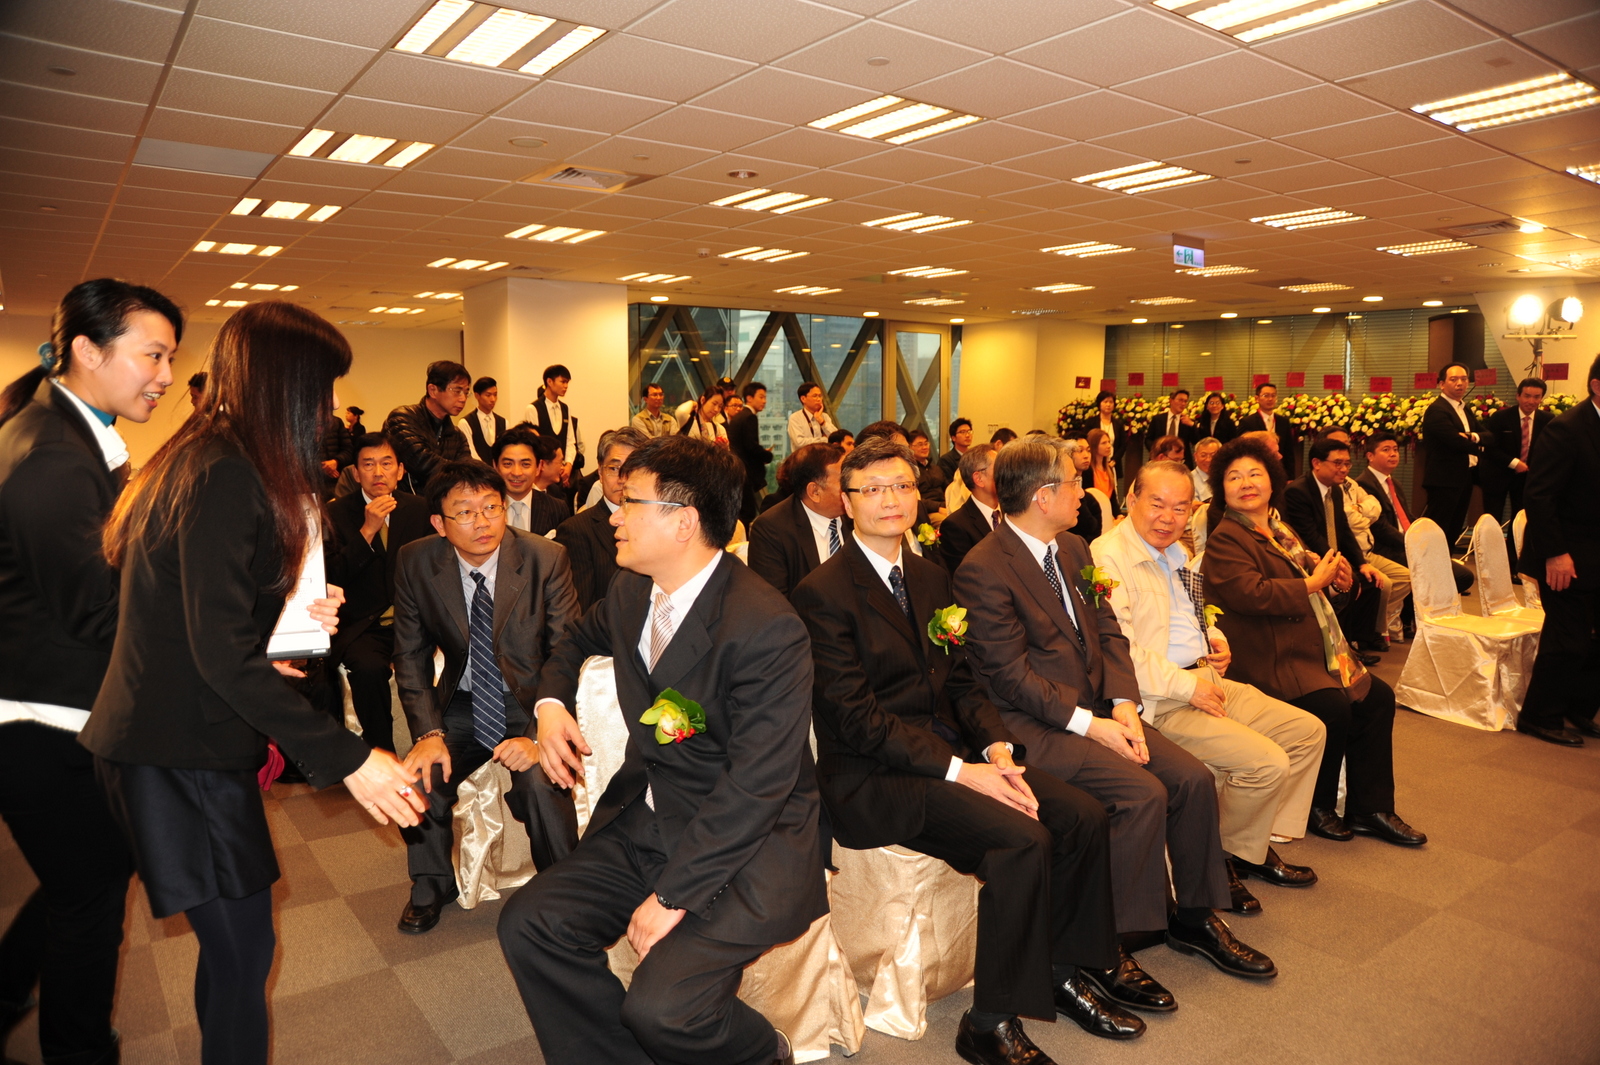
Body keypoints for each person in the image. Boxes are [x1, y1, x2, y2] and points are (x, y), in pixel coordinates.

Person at [83, 302, 425, 1065]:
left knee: (238, 950)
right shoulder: (225, 472)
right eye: (323, 388)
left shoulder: (208, 455)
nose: (329, 409)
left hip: (174, 737)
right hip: (177, 751)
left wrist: (274, 636)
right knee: (243, 951)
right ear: (286, 384)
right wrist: (354, 758)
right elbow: (216, 652)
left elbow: (185, 620)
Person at [794, 439, 1140, 1058]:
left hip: (946, 756)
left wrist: (997, 747)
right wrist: (962, 771)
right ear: (846, 503)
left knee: (1081, 814)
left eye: (902, 486)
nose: (890, 500)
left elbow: (963, 680)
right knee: (1021, 839)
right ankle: (987, 1023)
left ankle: (1063, 970)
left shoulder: (930, 577)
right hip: (872, 777)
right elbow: (856, 721)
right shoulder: (822, 592)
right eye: (872, 489)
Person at [498, 436, 826, 1065]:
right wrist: (550, 705)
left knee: (664, 1009)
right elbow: (573, 641)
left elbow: (756, 787)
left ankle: (766, 1052)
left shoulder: (766, 627)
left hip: (746, 846)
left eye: (630, 502)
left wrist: (674, 895)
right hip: (648, 822)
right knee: (531, 924)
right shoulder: (632, 591)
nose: (613, 515)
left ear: (683, 522)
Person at [956, 437, 1276, 1004]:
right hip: (1037, 726)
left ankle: (1194, 916)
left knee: (1192, 780)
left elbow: (1107, 630)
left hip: (1102, 708)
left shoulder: (1074, 548)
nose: (1084, 492)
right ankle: (1110, 946)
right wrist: (1090, 723)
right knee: (1140, 794)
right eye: (1074, 483)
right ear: (1042, 496)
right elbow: (1010, 678)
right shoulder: (984, 568)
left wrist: (1125, 700)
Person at [0, 279, 184, 1065]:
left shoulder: (72, 433)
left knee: (85, 878)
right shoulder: (51, 456)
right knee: (92, 899)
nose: (165, 376)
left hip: (60, 707)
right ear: (86, 349)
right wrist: (226, 645)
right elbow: (101, 613)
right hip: (41, 721)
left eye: (170, 358)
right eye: (153, 355)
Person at [1091, 462, 1325, 918]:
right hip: (1161, 696)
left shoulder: (1175, 551)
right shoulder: (1108, 557)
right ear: (1131, 500)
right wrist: (1187, 687)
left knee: (1307, 732)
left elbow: (1189, 613)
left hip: (1207, 677)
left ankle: (1246, 845)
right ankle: (1220, 861)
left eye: (1181, 508)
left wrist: (1213, 636)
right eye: (1157, 504)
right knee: (1266, 763)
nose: (1168, 518)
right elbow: (1119, 649)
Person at [1200, 435, 1425, 847]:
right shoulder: (1226, 538)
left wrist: (1334, 582)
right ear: (1222, 489)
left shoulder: (1279, 529)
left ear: (1272, 481)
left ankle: (1370, 808)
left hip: (1305, 648)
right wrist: (1312, 583)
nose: (1246, 483)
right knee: (1332, 706)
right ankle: (1317, 806)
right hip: (1267, 656)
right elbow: (1253, 595)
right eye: (1234, 477)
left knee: (1378, 698)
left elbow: (1313, 588)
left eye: (1255, 474)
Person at [392, 461, 582, 932]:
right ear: (439, 523)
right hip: (462, 702)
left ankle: (565, 892)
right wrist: (428, 733)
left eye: (492, 508)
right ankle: (432, 883)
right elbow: (410, 655)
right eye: (465, 512)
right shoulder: (417, 561)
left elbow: (566, 653)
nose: (482, 522)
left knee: (541, 781)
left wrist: (537, 736)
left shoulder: (545, 558)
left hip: (531, 703)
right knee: (418, 778)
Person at [324, 432, 433, 752]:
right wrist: (367, 531)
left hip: (413, 622)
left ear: (400, 470)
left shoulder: (420, 509)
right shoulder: (335, 513)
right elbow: (332, 576)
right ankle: (383, 754)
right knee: (369, 670)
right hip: (363, 625)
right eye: (368, 465)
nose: (378, 472)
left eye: (386, 463)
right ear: (356, 473)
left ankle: (437, 747)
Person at [1516, 354, 1600, 747]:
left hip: (1595, 553)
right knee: (1568, 639)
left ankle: (1578, 708)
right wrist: (1555, 553)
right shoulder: (1567, 429)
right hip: (1565, 555)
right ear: (1597, 386)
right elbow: (1539, 496)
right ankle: (1539, 715)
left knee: (1594, 640)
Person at [1281, 438, 1386, 660]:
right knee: (1350, 582)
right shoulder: (1298, 491)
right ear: (1317, 463)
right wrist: (1339, 563)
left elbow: (1344, 531)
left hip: (1331, 555)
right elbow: (1310, 536)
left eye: (1347, 464)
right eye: (1338, 463)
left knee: (1371, 581)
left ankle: (1357, 642)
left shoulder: (1335, 490)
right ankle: (1339, 649)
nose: (1344, 469)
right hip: (1310, 561)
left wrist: (1361, 563)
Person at [1318, 428, 1410, 647]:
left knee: (1408, 576)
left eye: (1346, 445)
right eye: (1336, 445)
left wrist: (1359, 510)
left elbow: (1374, 506)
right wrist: (1362, 514)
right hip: (1349, 552)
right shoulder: (1327, 485)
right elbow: (1349, 520)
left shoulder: (1350, 482)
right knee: (1381, 583)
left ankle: (1382, 624)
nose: (1343, 450)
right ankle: (1373, 631)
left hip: (1366, 549)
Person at [1357, 431, 1472, 601]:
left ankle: (1420, 609)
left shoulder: (1393, 482)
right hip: (1388, 549)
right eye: (1386, 450)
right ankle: (1419, 610)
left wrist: (1425, 534)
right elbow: (1380, 527)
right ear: (1370, 456)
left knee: (1462, 575)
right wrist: (1412, 543)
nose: (1393, 454)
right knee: (1459, 577)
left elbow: (1406, 516)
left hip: (1407, 544)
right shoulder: (1363, 484)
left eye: (1395, 449)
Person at [555, 428, 643, 611]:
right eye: (614, 469)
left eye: (632, 468)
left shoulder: (658, 523)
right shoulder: (576, 530)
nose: (622, 479)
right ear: (601, 473)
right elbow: (583, 611)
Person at [747, 442, 846, 599]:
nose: (854, 486)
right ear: (815, 492)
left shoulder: (859, 516)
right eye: (844, 480)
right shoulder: (771, 529)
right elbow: (773, 603)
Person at [1421, 361, 1500, 544]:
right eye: (1454, 379)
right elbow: (1456, 442)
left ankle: (1447, 561)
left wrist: (1472, 436)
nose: (1460, 383)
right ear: (1442, 384)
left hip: (1464, 477)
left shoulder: (1463, 408)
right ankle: (1432, 562)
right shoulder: (1437, 410)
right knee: (1438, 530)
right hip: (1444, 480)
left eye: (1464, 379)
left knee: (1454, 528)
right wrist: (1480, 446)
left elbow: (1489, 436)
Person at [1482, 377, 1552, 563]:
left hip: (1528, 478)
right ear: (1518, 396)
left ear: (1542, 398)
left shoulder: (1548, 420)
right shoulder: (1500, 418)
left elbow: (1549, 450)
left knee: (1520, 520)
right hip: (1498, 475)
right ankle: (1490, 562)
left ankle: (1515, 563)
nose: (1531, 401)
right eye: (1527, 396)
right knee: (1492, 520)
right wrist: (1514, 463)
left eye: (1536, 397)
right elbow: (1490, 448)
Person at [385, 359, 471, 494]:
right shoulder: (403, 418)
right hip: (404, 502)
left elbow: (468, 470)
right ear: (433, 390)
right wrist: (459, 471)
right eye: (457, 390)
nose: (463, 398)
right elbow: (422, 463)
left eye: (466, 392)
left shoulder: (457, 435)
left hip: (442, 502)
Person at [494, 428, 568, 536]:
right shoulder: (481, 509)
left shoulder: (557, 509)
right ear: (495, 466)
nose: (516, 473)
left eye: (525, 464)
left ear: (539, 467)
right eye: (508, 464)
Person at [940, 443, 1001, 573]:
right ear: (979, 479)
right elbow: (966, 575)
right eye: (999, 469)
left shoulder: (1012, 512)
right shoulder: (956, 526)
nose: (1006, 474)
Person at [526, 363, 585, 478]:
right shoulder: (533, 409)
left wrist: (568, 465)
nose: (566, 386)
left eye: (567, 382)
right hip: (542, 472)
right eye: (562, 382)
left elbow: (570, 441)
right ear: (549, 381)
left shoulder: (565, 408)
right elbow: (533, 444)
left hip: (563, 472)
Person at [728, 382, 773, 525]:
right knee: (747, 513)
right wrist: (767, 456)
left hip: (737, 469)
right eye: (761, 397)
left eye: (765, 397)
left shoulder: (739, 417)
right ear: (749, 398)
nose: (764, 401)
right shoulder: (749, 417)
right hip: (745, 471)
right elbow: (750, 446)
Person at [1237, 382, 1299, 477]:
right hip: (1256, 469)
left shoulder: (1283, 421)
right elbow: (1241, 449)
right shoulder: (1247, 422)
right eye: (1266, 395)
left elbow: (1288, 451)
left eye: (1273, 395)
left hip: (1279, 471)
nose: (1270, 399)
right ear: (1257, 398)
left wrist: (1290, 476)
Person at [1145, 390, 1198, 465]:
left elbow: (1196, 441)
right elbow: (1148, 439)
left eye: (1185, 401)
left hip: (1181, 462)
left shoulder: (1188, 421)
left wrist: (1192, 425)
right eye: (1180, 400)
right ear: (1171, 400)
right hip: (1159, 460)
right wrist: (1157, 452)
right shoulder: (1158, 419)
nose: (1183, 404)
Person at [460, 375, 504, 462]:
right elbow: (470, 452)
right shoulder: (465, 423)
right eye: (488, 395)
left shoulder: (504, 422)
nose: (493, 399)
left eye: (495, 395)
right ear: (477, 396)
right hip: (477, 469)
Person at [786, 381, 837, 452]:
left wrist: (822, 422)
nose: (819, 399)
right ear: (803, 399)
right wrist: (825, 440)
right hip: (804, 458)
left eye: (820, 396)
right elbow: (800, 443)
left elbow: (836, 438)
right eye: (815, 396)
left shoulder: (824, 417)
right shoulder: (795, 418)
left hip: (825, 458)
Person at [1086, 427, 1120, 516]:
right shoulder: (1088, 470)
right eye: (1104, 443)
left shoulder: (1109, 469)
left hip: (1107, 514)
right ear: (1094, 446)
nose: (1109, 446)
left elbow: (1113, 499)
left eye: (1109, 442)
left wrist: (1119, 515)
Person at [937, 417, 974, 482]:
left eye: (969, 431)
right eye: (962, 432)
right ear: (953, 438)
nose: (967, 435)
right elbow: (950, 484)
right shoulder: (945, 460)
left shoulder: (975, 457)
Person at [1192, 437, 1220, 502]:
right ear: (1195, 457)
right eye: (1203, 455)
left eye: (1213, 455)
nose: (1208, 460)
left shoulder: (1227, 476)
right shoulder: (1189, 480)